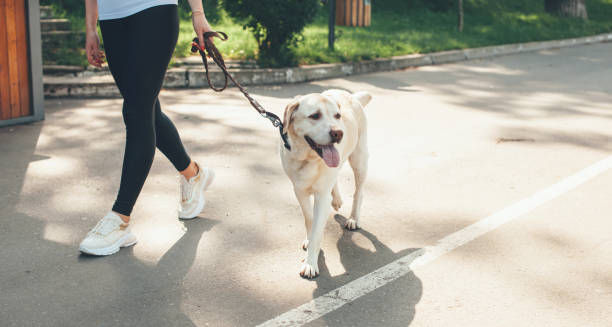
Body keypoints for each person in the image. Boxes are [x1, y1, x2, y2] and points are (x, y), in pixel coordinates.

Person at [79, 0, 215, 256]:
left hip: (154, 8)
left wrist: (198, 13)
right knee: (144, 108)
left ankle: (120, 219)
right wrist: (90, 27)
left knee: (136, 111)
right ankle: (193, 174)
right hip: (112, 17)